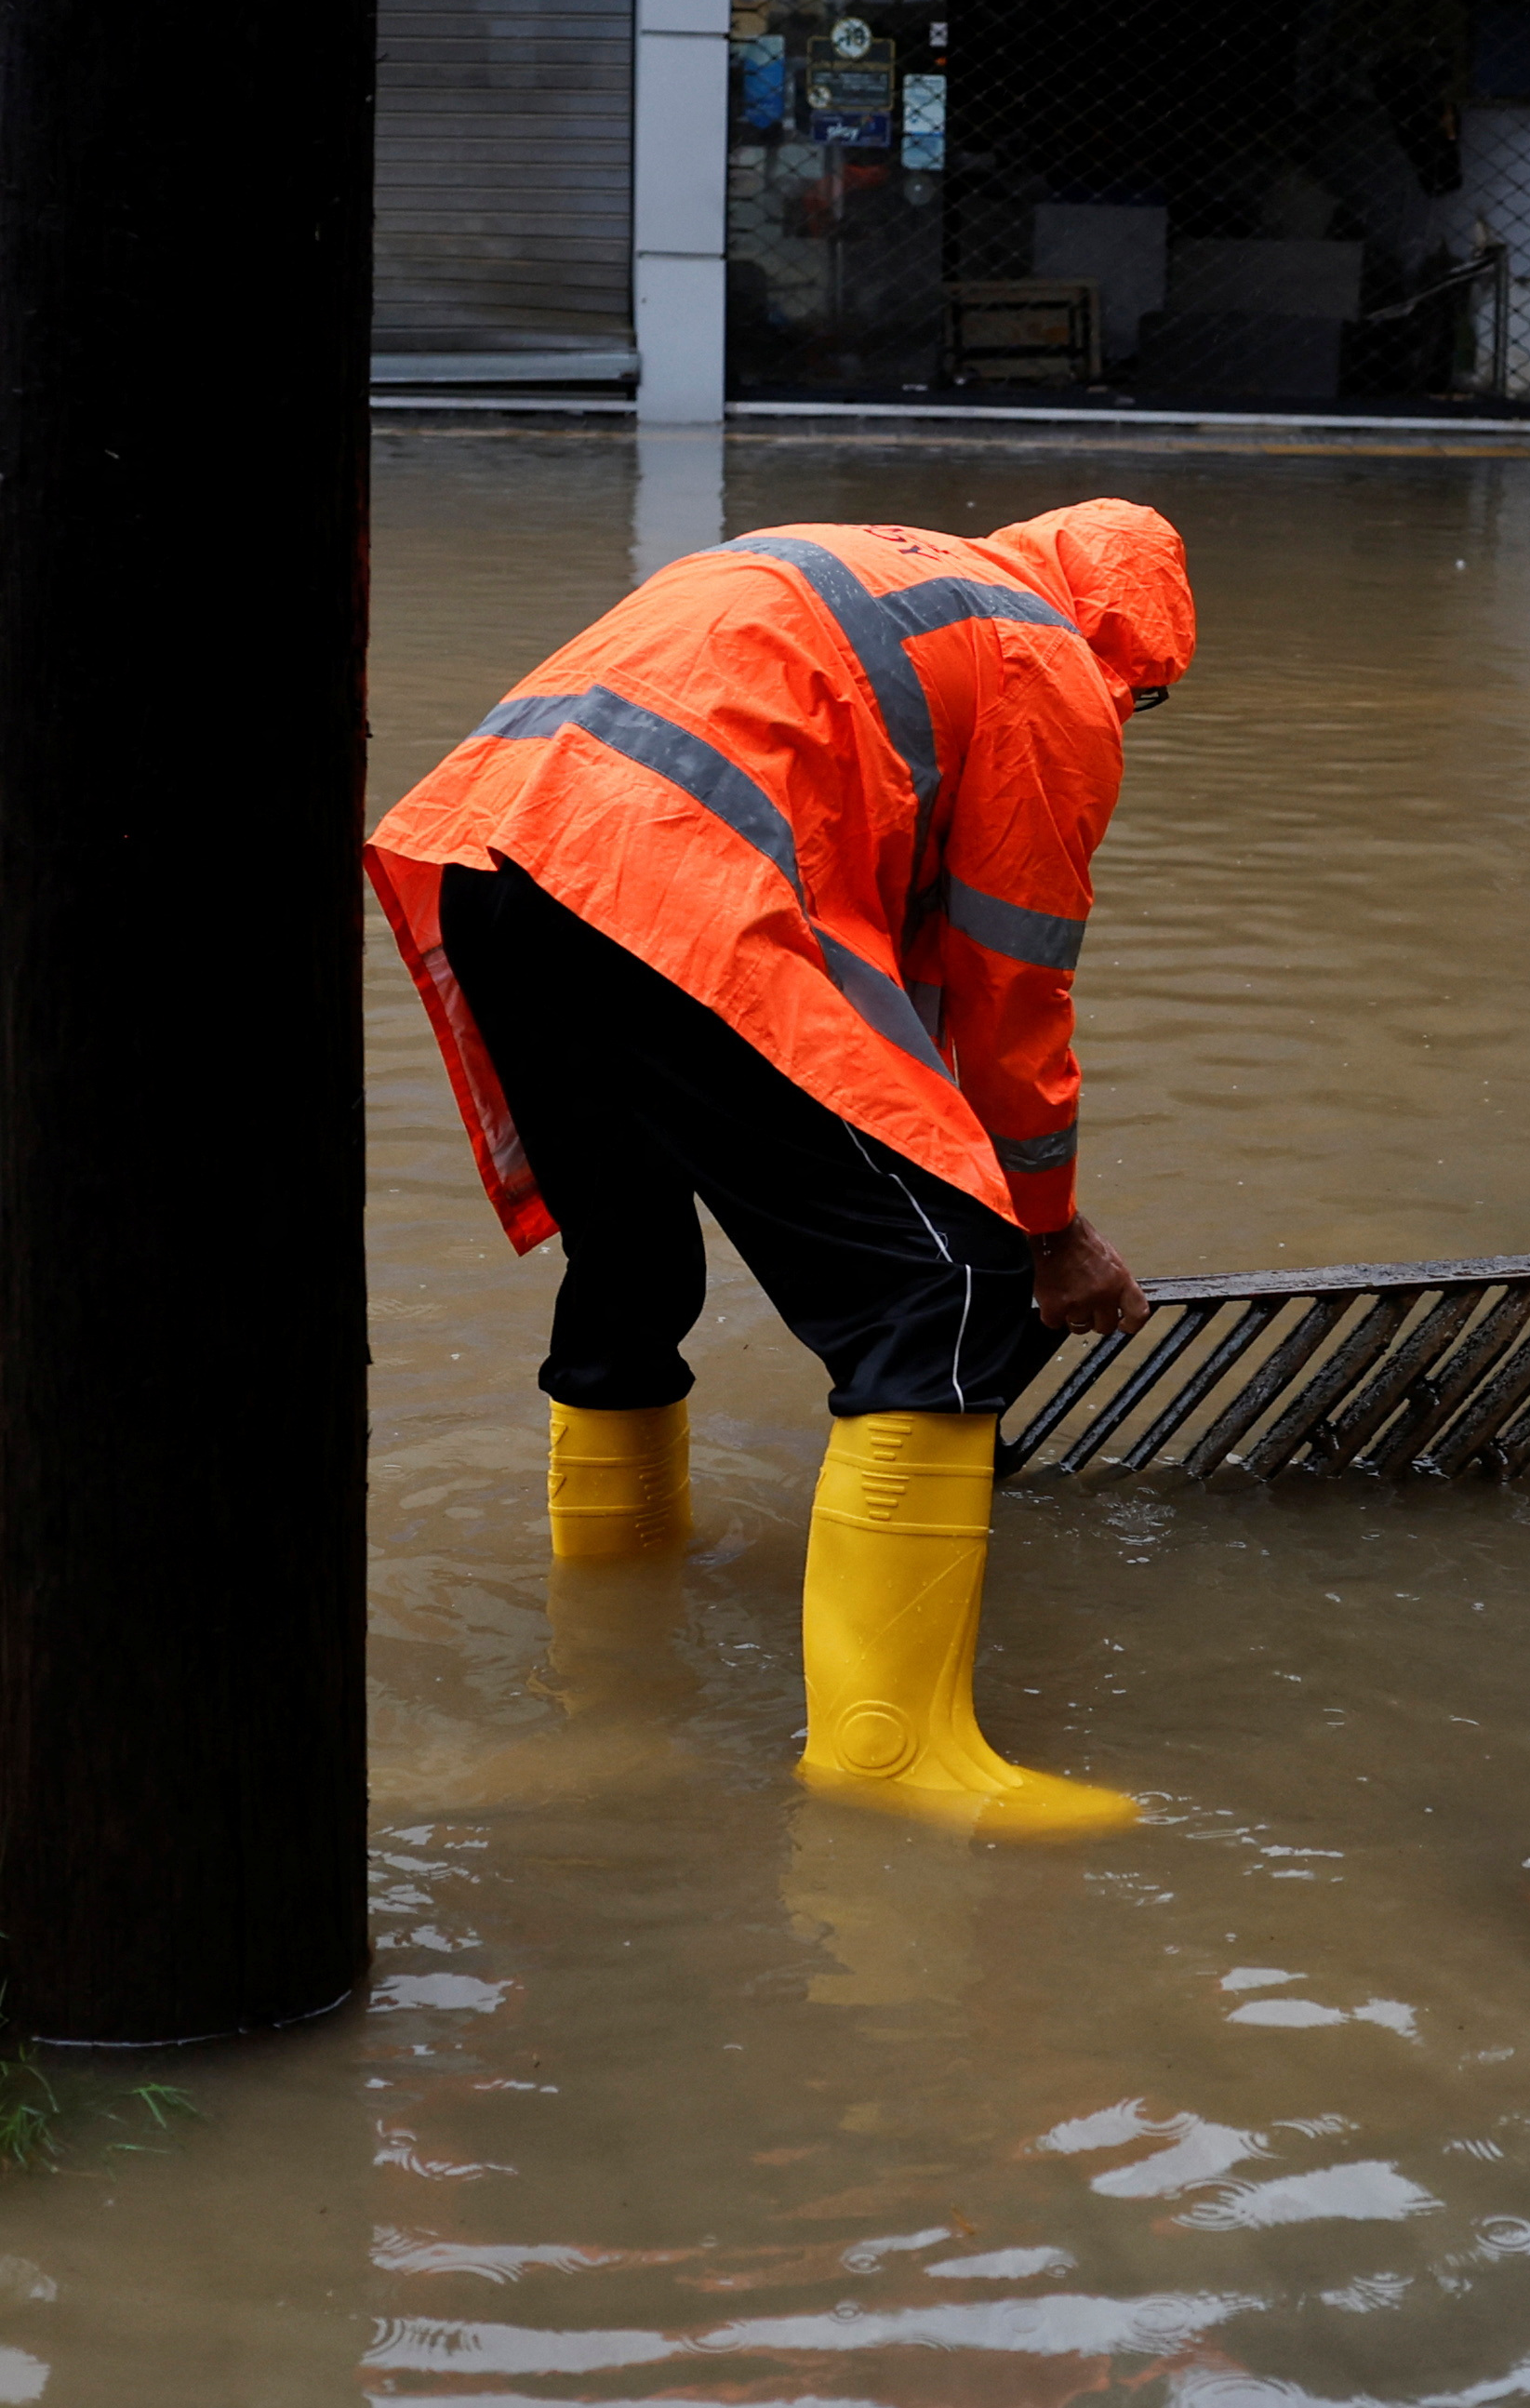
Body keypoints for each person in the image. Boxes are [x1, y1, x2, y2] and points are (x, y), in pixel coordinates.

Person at [367, 503, 1197, 1831]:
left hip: (499, 859)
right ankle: (890, 1757)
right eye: (1145, 702)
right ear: (1132, 654)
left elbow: (891, 970)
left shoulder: (897, 580)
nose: (1131, 723)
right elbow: (1012, 985)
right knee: (950, 1290)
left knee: (634, 1253)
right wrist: (1045, 1230)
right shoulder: (1052, 669)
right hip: (669, 882)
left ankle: (616, 1626)